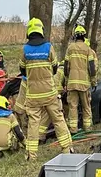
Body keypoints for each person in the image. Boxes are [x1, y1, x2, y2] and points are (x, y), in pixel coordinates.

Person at [20, 18, 73, 160]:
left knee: (33, 123)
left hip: (33, 95)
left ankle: (31, 155)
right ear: (41, 30)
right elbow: (55, 67)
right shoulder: (49, 47)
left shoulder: (25, 50)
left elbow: (22, 71)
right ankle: (67, 149)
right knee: (58, 119)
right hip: (49, 93)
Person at [63, 25, 97, 133]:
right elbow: (92, 68)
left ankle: (73, 129)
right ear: (84, 36)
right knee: (86, 107)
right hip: (84, 84)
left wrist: (66, 80)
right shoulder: (88, 49)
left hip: (72, 84)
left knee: (73, 107)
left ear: (75, 36)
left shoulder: (70, 48)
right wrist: (93, 82)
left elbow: (66, 67)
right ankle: (88, 128)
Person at [0, 96, 25, 161]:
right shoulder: (11, 116)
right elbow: (18, 132)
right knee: (13, 134)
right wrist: (25, 144)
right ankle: (11, 155)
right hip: (6, 145)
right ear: (4, 104)